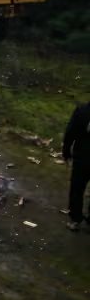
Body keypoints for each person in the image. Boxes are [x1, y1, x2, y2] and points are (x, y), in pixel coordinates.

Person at [64, 96, 89, 231]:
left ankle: (75, 219)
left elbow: (70, 133)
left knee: (77, 190)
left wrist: (66, 152)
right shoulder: (82, 111)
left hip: (82, 159)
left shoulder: (82, 111)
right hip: (82, 158)